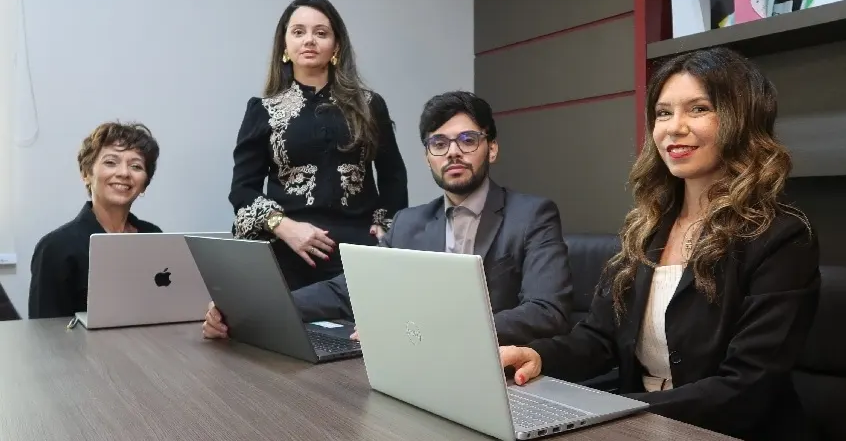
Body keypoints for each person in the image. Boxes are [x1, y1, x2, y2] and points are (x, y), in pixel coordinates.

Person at [501, 47, 821, 441]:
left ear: (742, 119)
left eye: (698, 109)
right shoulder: (647, 227)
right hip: (641, 437)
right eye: (664, 113)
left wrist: (610, 413)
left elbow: (747, 386)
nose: (674, 128)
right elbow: (599, 339)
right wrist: (536, 355)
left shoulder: (782, 236)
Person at [205, 91, 572, 345]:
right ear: (428, 156)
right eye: (439, 144)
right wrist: (247, 309)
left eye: (467, 139)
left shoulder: (532, 215)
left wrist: (432, 329)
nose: (453, 153)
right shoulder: (409, 224)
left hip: (500, 372)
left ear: (491, 149)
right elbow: (346, 292)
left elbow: (547, 311)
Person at [229, 0, 408, 290]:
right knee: (273, 331)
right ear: (285, 45)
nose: (309, 40)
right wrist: (284, 227)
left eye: (321, 33)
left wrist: (384, 227)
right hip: (284, 245)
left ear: (336, 46)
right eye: (298, 32)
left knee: (353, 334)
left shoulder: (368, 104)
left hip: (357, 249)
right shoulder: (263, 110)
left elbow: (393, 175)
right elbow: (242, 188)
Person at [29, 122, 162, 319]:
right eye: (111, 162)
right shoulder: (56, 247)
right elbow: (44, 334)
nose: (124, 173)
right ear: (86, 174)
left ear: (144, 184)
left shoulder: (154, 236)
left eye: (136, 166)